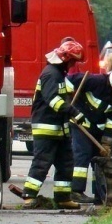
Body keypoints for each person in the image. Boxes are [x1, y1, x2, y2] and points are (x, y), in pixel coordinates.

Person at [22, 40, 85, 210]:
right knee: (42, 162)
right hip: (46, 127)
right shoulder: (51, 74)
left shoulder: (59, 74)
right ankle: (29, 195)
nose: (73, 65)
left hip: (59, 129)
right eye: (72, 61)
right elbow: (54, 101)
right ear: (65, 58)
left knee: (66, 163)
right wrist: (73, 112)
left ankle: (63, 197)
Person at [67, 68, 112, 203]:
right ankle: (76, 191)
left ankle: (100, 194)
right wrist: (67, 100)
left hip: (98, 128)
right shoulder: (94, 81)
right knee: (83, 154)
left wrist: (107, 142)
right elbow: (67, 82)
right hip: (80, 124)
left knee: (100, 159)